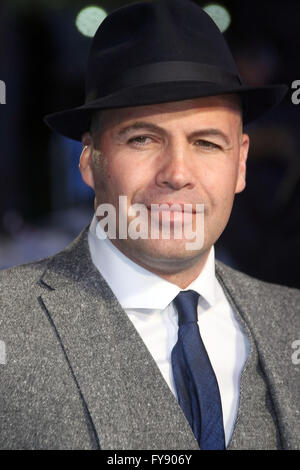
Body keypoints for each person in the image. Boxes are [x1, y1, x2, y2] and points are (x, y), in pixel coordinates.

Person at [0, 0, 299, 450]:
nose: (177, 173)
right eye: (142, 139)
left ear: (240, 164)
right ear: (89, 162)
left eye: (206, 143)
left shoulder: (291, 319)